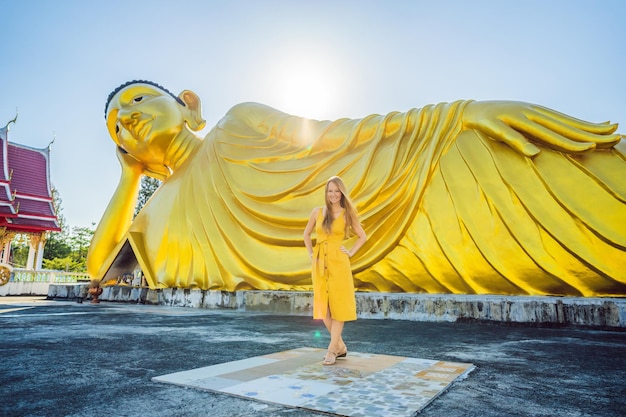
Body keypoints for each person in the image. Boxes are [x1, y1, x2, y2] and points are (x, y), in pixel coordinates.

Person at [87, 80, 626, 297]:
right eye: (116, 126)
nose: (126, 118)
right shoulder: (153, 215)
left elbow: (340, 136)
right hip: (381, 263)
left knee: (532, 161)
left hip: (401, 192)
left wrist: (459, 112)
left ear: (188, 105)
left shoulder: (239, 120)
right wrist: (129, 178)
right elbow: (97, 272)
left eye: (136, 100)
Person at [303, 176, 366, 365]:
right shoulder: (317, 212)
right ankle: (340, 345)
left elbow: (362, 236)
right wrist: (311, 254)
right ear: (326, 193)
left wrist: (351, 252)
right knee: (324, 307)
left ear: (341, 193)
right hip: (320, 262)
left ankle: (331, 350)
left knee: (338, 305)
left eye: (336, 191)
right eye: (330, 191)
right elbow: (306, 234)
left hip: (339, 262)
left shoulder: (347, 214)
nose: (333, 194)